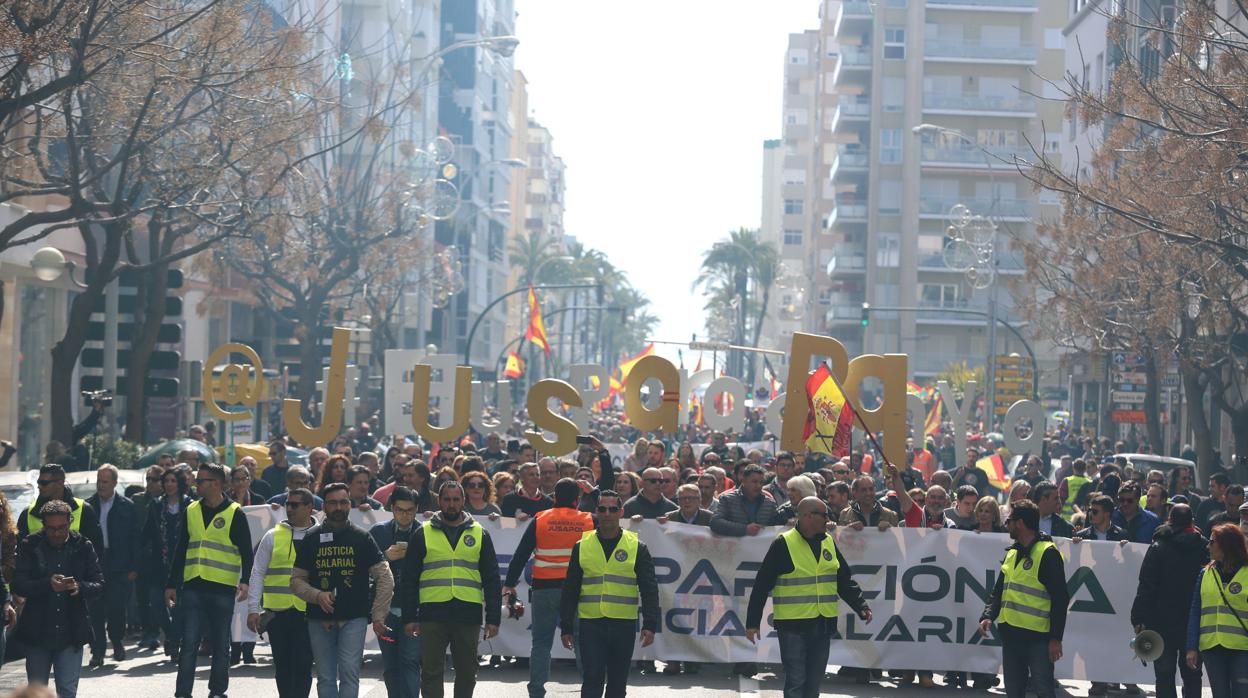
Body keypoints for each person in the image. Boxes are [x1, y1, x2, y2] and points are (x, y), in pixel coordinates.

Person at [746, 496, 872, 698]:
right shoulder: (783, 544)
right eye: (824, 515)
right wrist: (752, 622)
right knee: (796, 680)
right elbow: (762, 585)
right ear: (807, 516)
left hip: (822, 624)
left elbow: (843, 580)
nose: (827, 519)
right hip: (793, 626)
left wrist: (861, 605)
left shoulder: (828, 541)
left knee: (813, 683)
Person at [399, 481, 502, 698]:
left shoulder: (480, 533)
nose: (451, 504)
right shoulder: (422, 533)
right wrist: (409, 616)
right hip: (432, 613)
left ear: (463, 501)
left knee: (467, 673)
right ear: (440, 501)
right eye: (447, 499)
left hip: (468, 613)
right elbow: (409, 579)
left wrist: (494, 618)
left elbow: (492, 579)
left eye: (456, 499)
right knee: (431, 672)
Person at [290, 483, 393, 698]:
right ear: (324, 506)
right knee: (325, 676)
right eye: (333, 502)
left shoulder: (362, 537)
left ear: (349, 504)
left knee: (349, 673)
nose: (339, 507)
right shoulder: (311, 538)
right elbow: (296, 581)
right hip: (319, 618)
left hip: (354, 618)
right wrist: (316, 596)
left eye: (343, 502)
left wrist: (378, 615)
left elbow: (385, 577)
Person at [559, 490, 660, 698]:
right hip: (590, 623)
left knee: (617, 683)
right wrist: (566, 625)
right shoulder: (582, 546)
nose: (607, 513)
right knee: (592, 680)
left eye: (612, 509)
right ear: (596, 511)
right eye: (603, 509)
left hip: (622, 623)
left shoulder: (637, 547)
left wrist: (650, 623)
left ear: (620, 512)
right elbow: (570, 588)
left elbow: (649, 588)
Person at [165, 462, 253, 698]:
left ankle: (217, 691)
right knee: (190, 642)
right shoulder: (191, 509)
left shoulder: (235, 512)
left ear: (215, 483)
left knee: (221, 643)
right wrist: (172, 583)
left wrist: (245, 581)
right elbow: (180, 549)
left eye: (200, 480)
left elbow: (246, 551)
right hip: (193, 585)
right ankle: (183, 692)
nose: (196, 484)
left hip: (223, 588)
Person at [503, 478, 595, 698]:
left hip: (545, 589)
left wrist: (509, 584)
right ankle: (590, 691)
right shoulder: (589, 521)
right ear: (578, 499)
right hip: (578, 591)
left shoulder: (541, 519)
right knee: (583, 642)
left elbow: (521, 554)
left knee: (541, 643)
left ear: (554, 497)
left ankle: (536, 691)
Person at [980, 500, 1069, 698]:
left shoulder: (1048, 554)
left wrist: (1055, 638)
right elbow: (999, 590)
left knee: (1044, 689)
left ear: (1020, 523)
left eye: (1009, 521)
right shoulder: (1013, 552)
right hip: (1012, 634)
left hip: (1038, 637)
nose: (1007, 525)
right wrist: (988, 616)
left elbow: (1060, 598)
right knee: (1014, 690)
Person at [14, 500, 100, 698]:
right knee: (36, 692)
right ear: (44, 525)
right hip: (38, 633)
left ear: (70, 522)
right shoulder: (30, 545)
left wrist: (80, 586)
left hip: (71, 632)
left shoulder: (83, 545)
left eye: (61, 527)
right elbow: (19, 583)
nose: (57, 533)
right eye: (51, 528)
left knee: (67, 691)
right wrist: (47, 585)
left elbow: (99, 583)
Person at [1132, 504, 1207, 698]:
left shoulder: (1158, 546)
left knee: (1164, 676)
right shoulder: (1203, 547)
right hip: (1193, 621)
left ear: (1169, 520)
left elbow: (1146, 585)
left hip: (1161, 621)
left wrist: (1138, 617)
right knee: (1192, 673)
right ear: (1192, 521)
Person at [247, 486, 316, 698]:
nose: (290, 509)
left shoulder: (321, 535)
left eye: (295, 505)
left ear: (310, 507)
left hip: (309, 612)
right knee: (283, 666)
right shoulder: (272, 535)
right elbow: (257, 573)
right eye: (288, 504)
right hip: (278, 613)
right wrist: (253, 608)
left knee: (304, 665)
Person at [369, 487, 423, 698]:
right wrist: (385, 557)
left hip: (414, 610)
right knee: (391, 664)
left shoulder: (425, 533)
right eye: (400, 510)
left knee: (410, 661)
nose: (405, 515)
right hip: (386, 611)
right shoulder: (378, 532)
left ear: (417, 509)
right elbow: (362, 569)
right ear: (392, 508)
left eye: (410, 510)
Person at [84, 463, 139, 668]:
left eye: (105, 481)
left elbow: (135, 538)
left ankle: (116, 641)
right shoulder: (88, 506)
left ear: (114, 483)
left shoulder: (127, 506)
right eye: (99, 481)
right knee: (96, 609)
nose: (101, 485)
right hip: (95, 563)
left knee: (116, 608)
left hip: (119, 565)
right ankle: (98, 650)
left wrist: (134, 566)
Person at [1187, 523, 1248, 698]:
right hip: (1212, 646)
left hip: (1242, 647)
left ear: (1226, 545)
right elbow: (1195, 611)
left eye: (1212, 542)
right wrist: (1191, 647)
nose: (1208, 546)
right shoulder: (1205, 573)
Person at [18, 464, 102, 552]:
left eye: (44, 483)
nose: (39, 486)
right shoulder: (28, 512)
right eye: (38, 482)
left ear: (60, 483)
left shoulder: (85, 510)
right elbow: (20, 552)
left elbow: (96, 549)